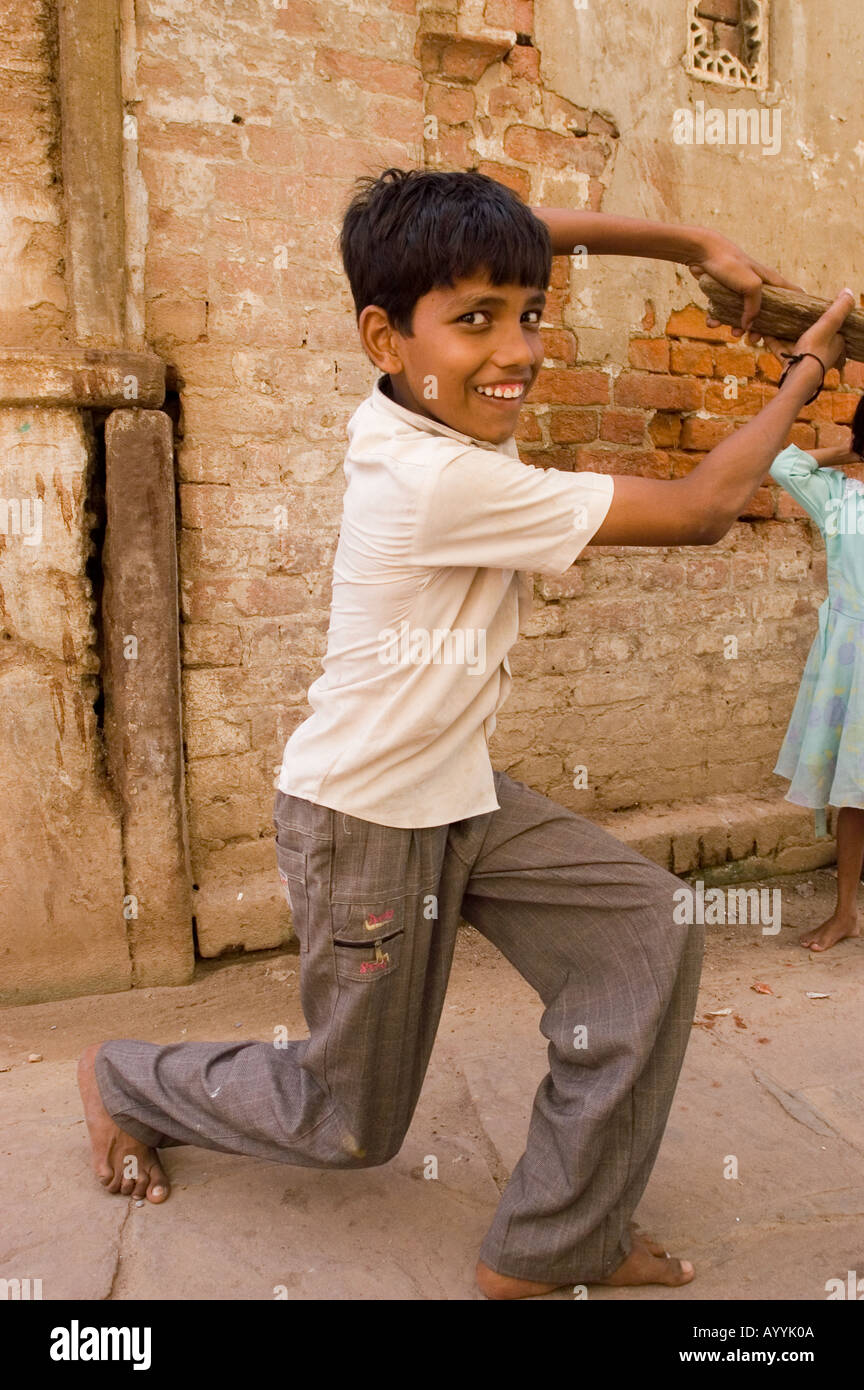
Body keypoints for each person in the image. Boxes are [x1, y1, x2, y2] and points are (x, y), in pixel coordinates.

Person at [78, 168, 855, 1300]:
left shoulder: (414, 402)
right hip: (366, 820)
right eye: (478, 321)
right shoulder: (436, 477)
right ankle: (125, 1076)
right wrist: (807, 369)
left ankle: (552, 1244)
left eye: (530, 314)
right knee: (349, 1119)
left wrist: (690, 240)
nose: (519, 349)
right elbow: (696, 512)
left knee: (648, 923)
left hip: (459, 792)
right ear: (382, 337)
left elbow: (520, 238)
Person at [768, 399, 864, 951]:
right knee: (855, 791)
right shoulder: (840, 497)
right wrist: (849, 449)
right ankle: (846, 911)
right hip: (855, 657)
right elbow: (786, 465)